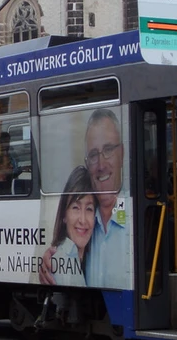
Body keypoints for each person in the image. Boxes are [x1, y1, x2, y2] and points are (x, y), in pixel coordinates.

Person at [41, 108, 129, 289]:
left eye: (109, 150)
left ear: (122, 153)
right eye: (93, 155)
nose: (101, 164)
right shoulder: (87, 228)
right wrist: (53, 258)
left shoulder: (137, 219)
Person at [48, 166, 95, 287]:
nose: (83, 220)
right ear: (64, 215)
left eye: (89, 209)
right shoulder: (65, 264)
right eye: (75, 207)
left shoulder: (88, 259)